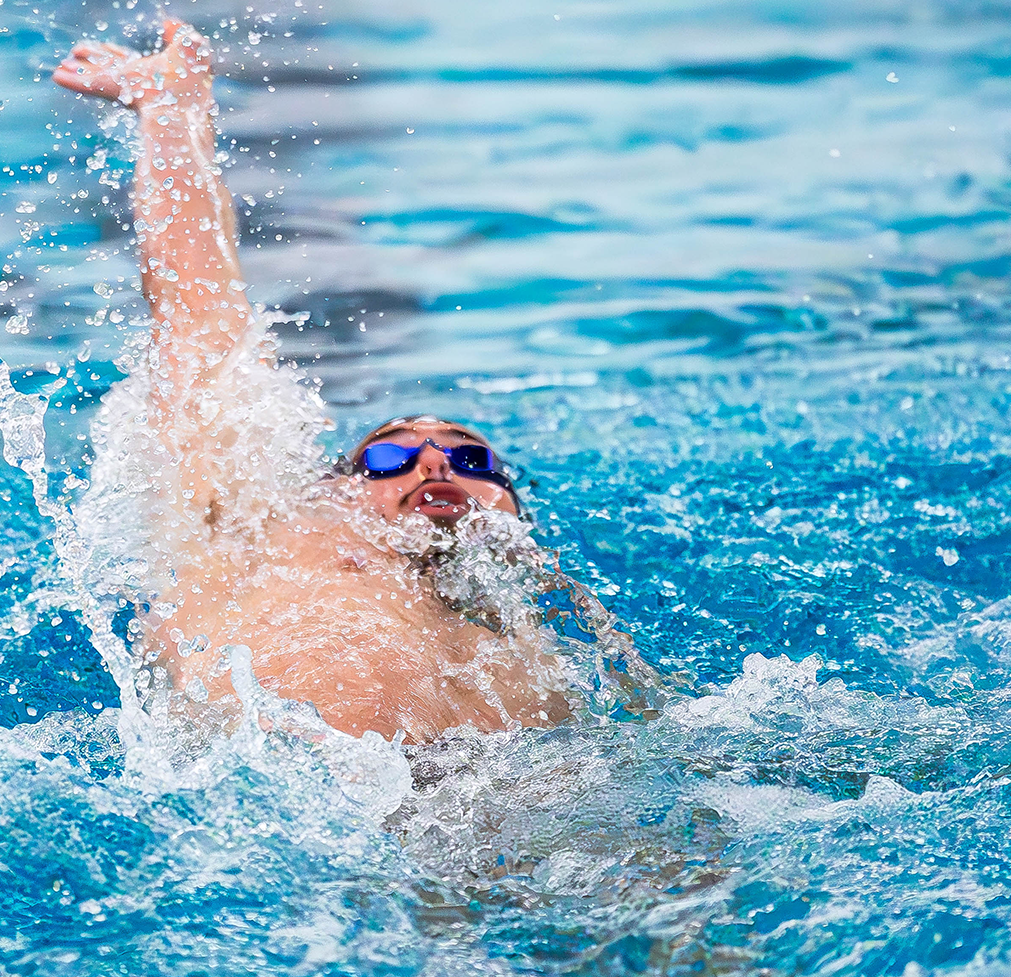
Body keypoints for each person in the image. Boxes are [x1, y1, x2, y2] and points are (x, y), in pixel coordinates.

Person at [52, 22, 657, 742]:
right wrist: (173, 115)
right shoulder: (261, 531)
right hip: (281, 795)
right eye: (390, 456)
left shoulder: (544, 667)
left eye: (471, 460)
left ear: (513, 514)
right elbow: (198, 319)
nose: (435, 462)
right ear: (335, 489)